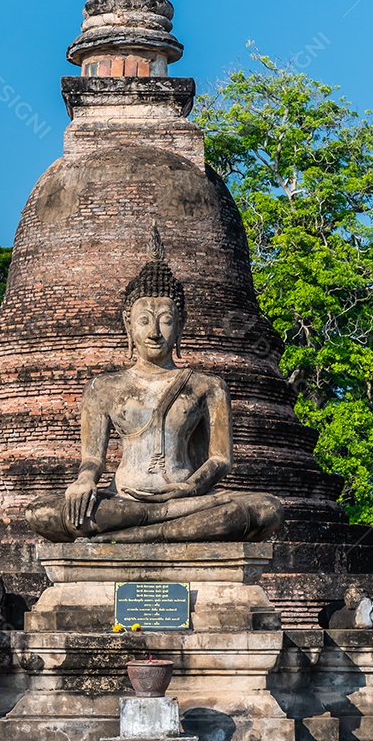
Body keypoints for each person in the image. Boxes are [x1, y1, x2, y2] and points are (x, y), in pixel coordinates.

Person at [26, 226, 284, 544]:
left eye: (165, 320)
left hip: (187, 499)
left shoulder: (208, 386)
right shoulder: (103, 388)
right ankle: (159, 526)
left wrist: (189, 487)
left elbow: (220, 459)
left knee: (266, 509)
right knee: (40, 512)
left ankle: (142, 531)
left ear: (180, 325)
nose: (154, 333)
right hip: (123, 498)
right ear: (128, 326)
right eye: (144, 320)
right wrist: (84, 481)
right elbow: (93, 458)